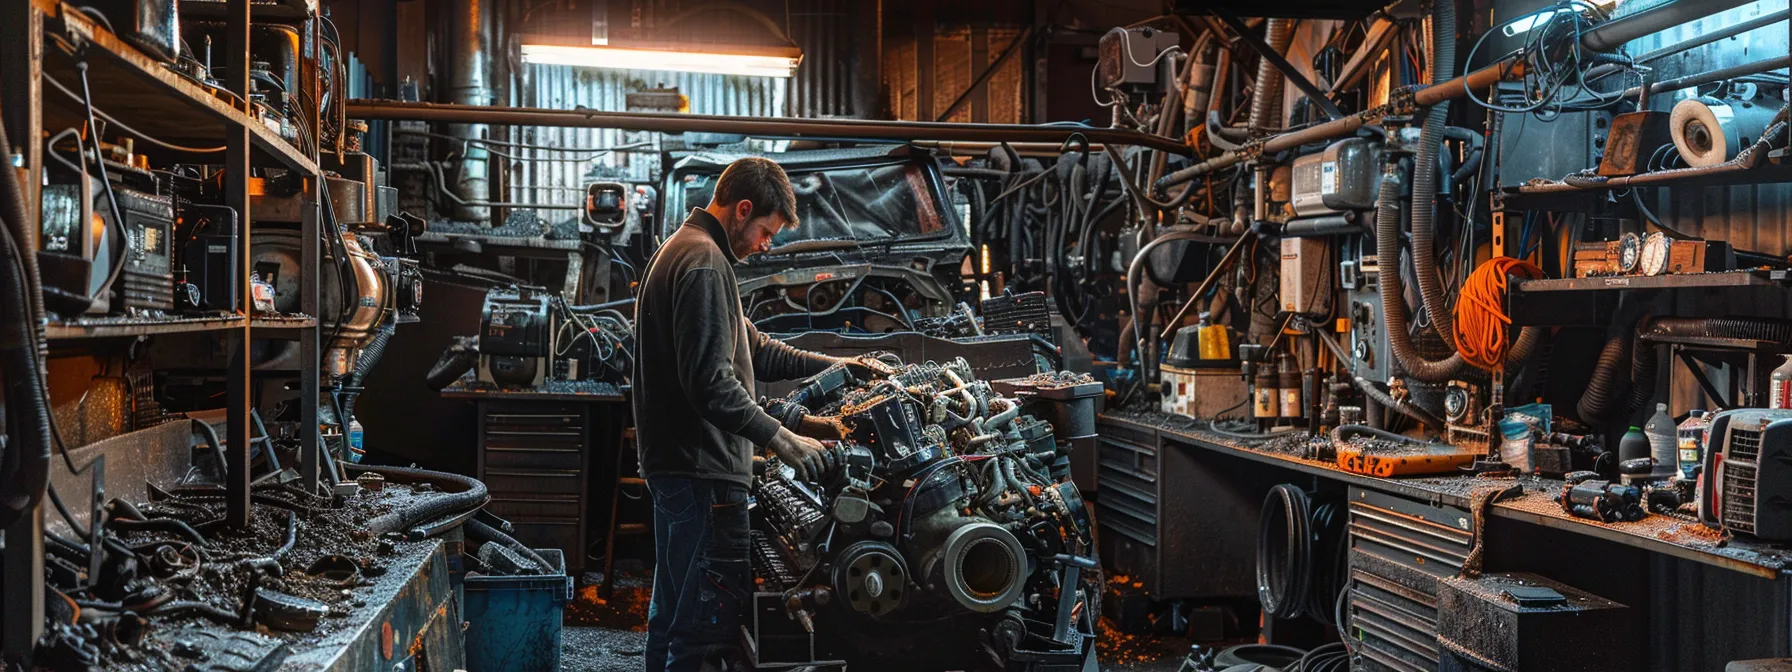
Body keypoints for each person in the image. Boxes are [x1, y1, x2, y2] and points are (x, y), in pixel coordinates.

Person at [632, 156, 855, 671]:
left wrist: (844, 366)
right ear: (743, 209)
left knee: (673, 616)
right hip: (701, 474)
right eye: (765, 232)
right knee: (700, 632)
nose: (765, 245)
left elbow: (758, 350)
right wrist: (783, 439)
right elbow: (712, 386)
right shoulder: (704, 262)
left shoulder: (690, 252)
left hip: (684, 472)